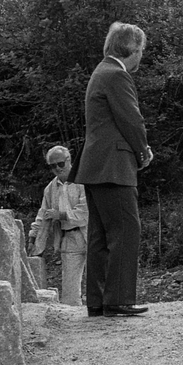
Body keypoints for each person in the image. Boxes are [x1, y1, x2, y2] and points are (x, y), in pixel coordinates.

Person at [74, 21, 154, 318]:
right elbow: (132, 120)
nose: (141, 56)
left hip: (95, 165)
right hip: (113, 165)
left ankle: (97, 301)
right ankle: (118, 299)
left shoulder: (100, 72)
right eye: (141, 50)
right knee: (124, 229)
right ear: (132, 49)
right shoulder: (117, 75)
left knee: (100, 235)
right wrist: (142, 151)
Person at [28, 145, 88, 306]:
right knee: (69, 288)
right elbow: (42, 215)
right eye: (52, 166)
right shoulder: (50, 189)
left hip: (91, 234)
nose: (57, 168)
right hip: (68, 237)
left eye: (60, 164)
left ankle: (104, 318)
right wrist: (33, 237)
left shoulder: (83, 180)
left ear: (69, 160)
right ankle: (72, 324)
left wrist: (61, 215)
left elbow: (85, 213)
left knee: (99, 279)